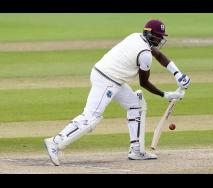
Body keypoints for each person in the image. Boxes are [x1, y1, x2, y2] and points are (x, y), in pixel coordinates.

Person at [44, 19, 191, 166]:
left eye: (161, 36)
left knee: (136, 105)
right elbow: (144, 83)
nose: (160, 39)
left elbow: (159, 55)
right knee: (92, 117)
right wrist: (165, 94)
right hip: (106, 80)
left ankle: (136, 151)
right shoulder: (144, 53)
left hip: (111, 78)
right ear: (148, 33)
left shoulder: (136, 37)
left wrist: (178, 74)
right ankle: (55, 142)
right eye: (157, 35)